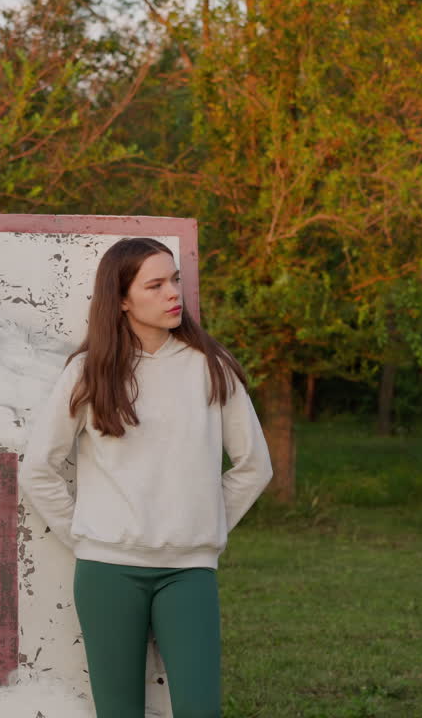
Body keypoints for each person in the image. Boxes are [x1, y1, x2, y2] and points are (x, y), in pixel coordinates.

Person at [21, 237, 273, 718]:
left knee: (201, 710)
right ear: (121, 299)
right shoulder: (89, 371)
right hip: (107, 572)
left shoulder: (211, 367)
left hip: (189, 570)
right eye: (154, 285)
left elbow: (254, 466)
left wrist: (204, 524)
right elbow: (39, 468)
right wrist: (86, 535)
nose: (172, 293)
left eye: (174, 279)